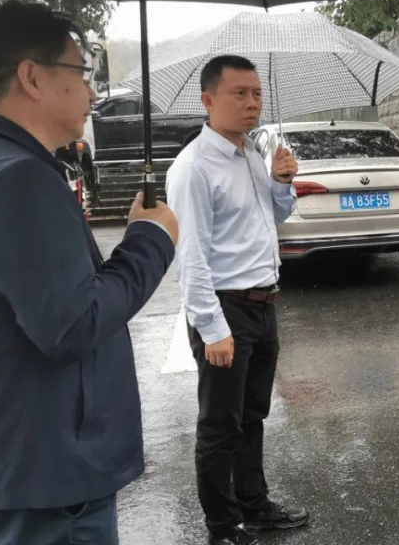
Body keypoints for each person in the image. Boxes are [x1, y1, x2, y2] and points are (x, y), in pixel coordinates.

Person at [0, 1, 178, 545]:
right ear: (32, 77)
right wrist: (151, 239)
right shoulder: (16, 179)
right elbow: (74, 324)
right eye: (81, 73)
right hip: (43, 478)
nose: (91, 94)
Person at [166, 55, 307, 545]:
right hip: (225, 309)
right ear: (208, 100)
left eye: (257, 94)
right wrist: (212, 328)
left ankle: (255, 505)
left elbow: (272, 217)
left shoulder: (250, 153)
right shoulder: (193, 168)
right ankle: (222, 528)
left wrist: (282, 183)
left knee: (252, 416)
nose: (252, 103)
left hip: (263, 303)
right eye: (239, 94)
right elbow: (190, 257)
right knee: (220, 426)